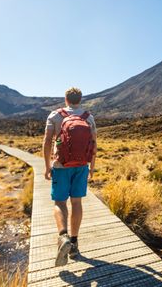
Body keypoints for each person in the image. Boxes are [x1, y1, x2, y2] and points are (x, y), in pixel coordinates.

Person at [43, 87, 97, 266]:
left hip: (60, 166)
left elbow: (47, 141)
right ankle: (74, 243)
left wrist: (47, 166)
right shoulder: (88, 117)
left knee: (59, 203)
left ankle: (62, 236)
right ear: (80, 99)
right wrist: (92, 167)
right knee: (76, 202)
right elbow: (94, 144)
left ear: (66, 99)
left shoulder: (55, 115)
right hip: (81, 166)